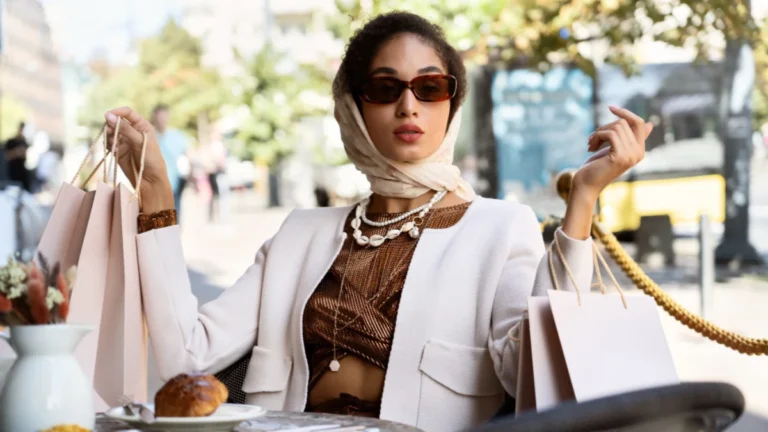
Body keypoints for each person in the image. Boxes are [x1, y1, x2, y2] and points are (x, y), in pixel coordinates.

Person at [104, 12, 652, 432]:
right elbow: (186, 357)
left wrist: (582, 202)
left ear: (451, 104)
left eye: (429, 87)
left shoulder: (499, 228)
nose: (409, 106)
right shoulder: (299, 233)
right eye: (386, 89)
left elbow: (531, 370)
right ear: (355, 107)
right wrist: (156, 196)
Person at [150, 104, 189, 220]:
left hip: (174, 183)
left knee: (174, 215)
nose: (161, 120)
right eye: (159, 117)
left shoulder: (177, 136)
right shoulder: (149, 136)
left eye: (163, 116)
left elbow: (187, 155)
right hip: (154, 185)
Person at [3, 122, 31, 191]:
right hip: (12, 172)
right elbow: (7, 156)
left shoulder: (24, 142)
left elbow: (25, 158)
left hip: (21, 171)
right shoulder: (11, 142)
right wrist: (17, 152)